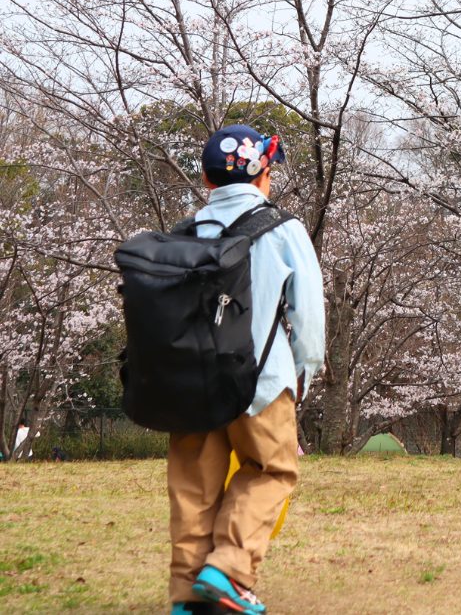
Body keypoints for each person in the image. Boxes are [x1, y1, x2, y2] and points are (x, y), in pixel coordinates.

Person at [167, 126, 324, 615]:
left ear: (205, 178)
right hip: (261, 380)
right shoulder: (283, 229)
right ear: (264, 176)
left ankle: (188, 595)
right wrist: (304, 373)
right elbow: (309, 317)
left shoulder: (185, 232)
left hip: (193, 385)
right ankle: (230, 569)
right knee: (270, 470)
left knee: (194, 488)